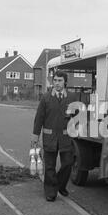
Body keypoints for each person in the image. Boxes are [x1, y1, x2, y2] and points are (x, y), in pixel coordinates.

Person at [31, 70, 78, 202]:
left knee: (68, 163)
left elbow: (77, 116)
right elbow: (39, 118)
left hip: (65, 138)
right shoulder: (46, 98)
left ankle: (60, 185)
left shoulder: (72, 97)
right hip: (49, 138)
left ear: (65, 82)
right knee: (50, 166)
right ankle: (51, 192)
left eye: (60, 81)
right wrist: (35, 136)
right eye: (55, 80)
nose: (57, 83)